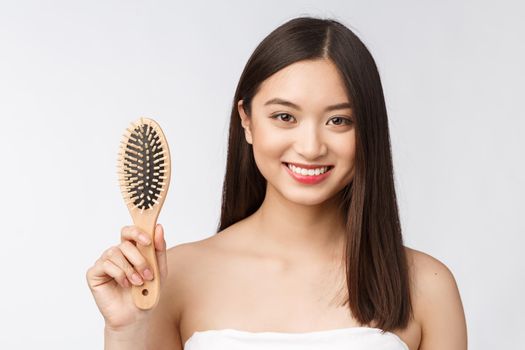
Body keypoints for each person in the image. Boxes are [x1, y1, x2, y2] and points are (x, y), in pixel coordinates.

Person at [86, 16, 467, 350]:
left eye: (339, 121)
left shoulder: (426, 287)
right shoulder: (175, 277)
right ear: (247, 121)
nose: (311, 146)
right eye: (285, 117)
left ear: (368, 130)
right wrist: (125, 331)